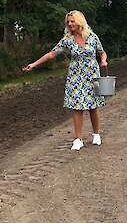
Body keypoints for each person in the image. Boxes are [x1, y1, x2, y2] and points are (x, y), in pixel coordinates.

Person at [23, 10, 108, 151]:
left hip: (92, 74)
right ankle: (77, 139)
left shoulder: (92, 37)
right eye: (68, 22)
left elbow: (102, 52)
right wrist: (34, 64)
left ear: (79, 21)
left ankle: (96, 134)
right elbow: (51, 54)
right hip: (75, 76)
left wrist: (103, 61)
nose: (69, 24)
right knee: (77, 107)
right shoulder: (67, 40)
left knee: (93, 106)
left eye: (72, 21)